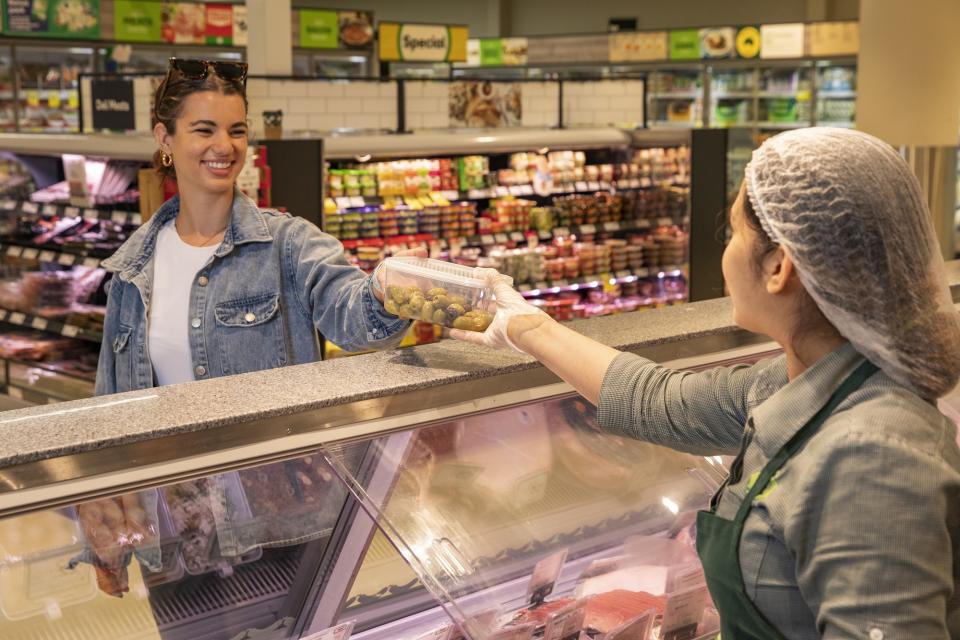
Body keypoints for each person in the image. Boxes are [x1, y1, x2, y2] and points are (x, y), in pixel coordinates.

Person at [454, 128, 960, 638]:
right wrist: (527, 327)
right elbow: (662, 401)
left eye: (734, 232)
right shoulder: (816, 377)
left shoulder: (870, 459)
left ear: (779, 267)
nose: (726, 251)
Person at [95, 58, 414, 395]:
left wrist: (382, 291)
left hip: (269, 450)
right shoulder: (132, 267)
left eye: (237, 131)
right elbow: (109, 395)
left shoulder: (288, 244)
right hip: (164, 450)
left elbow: (356, 322)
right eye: (204, 130)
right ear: (165, 138)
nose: (224, 146)